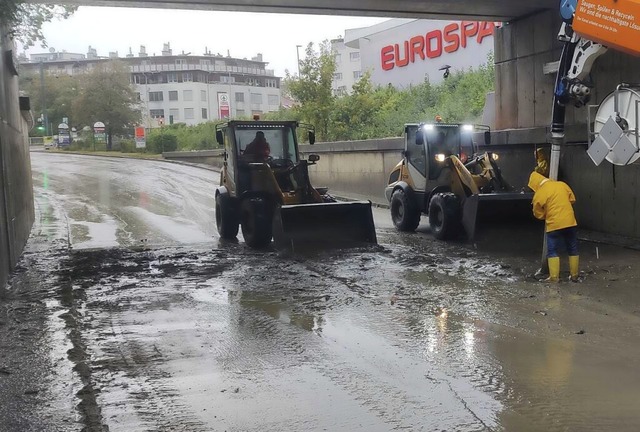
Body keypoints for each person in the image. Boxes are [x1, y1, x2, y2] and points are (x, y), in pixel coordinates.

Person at [528, 171, 580, 282]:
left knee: (552, 251)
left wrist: (545, 215)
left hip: (554, 225)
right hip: (570, 222)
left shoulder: (539, 193)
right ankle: (574, 275)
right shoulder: (562, 184)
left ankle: (554, 278)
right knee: (572, 247)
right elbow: (572, 199)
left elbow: (537, 213)